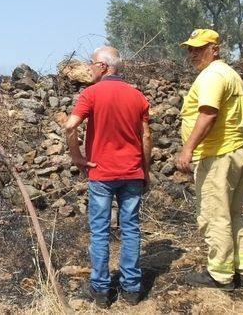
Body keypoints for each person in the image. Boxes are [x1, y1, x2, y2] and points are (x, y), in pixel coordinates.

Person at [60, 46, 152, 308]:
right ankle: (132, 290)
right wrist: (145, 170)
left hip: (101, 173)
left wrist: (77, 157)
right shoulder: (137, 96)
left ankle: (101, 291)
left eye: (91, 64)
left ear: (102, 66)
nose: (89, 69)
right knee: (131, 229)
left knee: (100, 232)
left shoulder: (91, 94)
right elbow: (146, 136)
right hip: (132, 173)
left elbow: (70, 126)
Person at [176, 29, 243, 290]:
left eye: (199, 48)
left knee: (214, 216)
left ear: (215, 48)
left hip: (217, 155)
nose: (193, 53)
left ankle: (220, 275)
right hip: (235, 151)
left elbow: (208, 114)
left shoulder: (211, 75)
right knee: (232, 215)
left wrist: (187, 149)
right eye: (190, 48)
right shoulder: (228, 73)